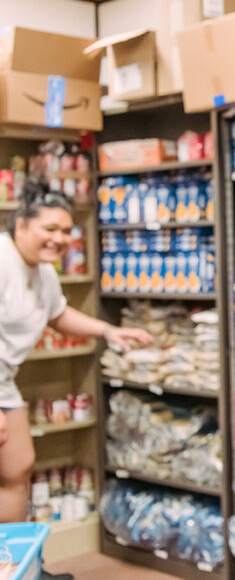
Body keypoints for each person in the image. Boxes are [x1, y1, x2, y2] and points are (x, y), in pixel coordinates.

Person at [0, 181, 153, 580]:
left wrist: (108, 332)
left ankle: (17, 566)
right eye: (50, 228)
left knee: (18, 466)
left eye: (67, 230)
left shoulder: (43, 273)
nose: (60, 238)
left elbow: (58, 314)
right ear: (21, 226)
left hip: (4, 382)